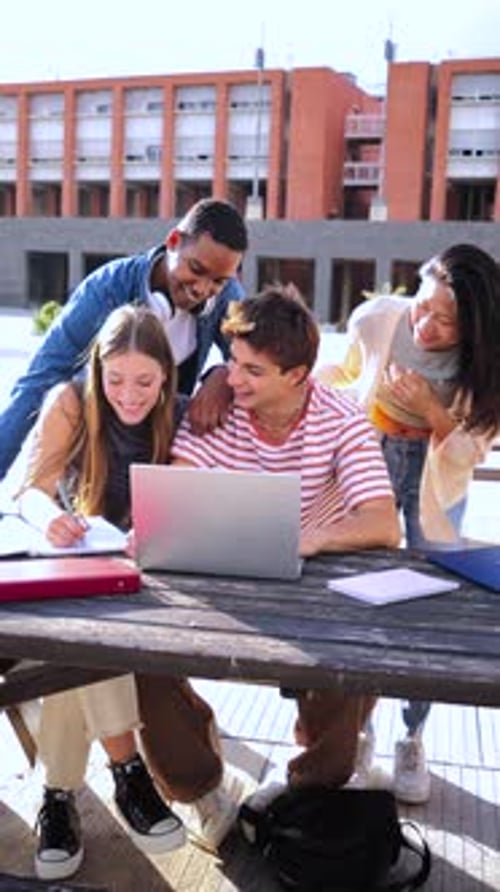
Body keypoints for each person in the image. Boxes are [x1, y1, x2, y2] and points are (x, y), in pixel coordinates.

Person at [136, 283, 400, 837]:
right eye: (232, 363)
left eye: (252, 371)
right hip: (220, 576)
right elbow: (179, 489)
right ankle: (201, 786)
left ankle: (307, 787)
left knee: (350, 659)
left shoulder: (342, 418)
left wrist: (313, 537)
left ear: (297, 376)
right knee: (142, 654)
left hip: (311, 587)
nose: (234, 379)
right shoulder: (218, 409)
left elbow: (382, 521)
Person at [316, 242, 500, 804]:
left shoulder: (488, 365)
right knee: (354, 585)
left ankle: (412, 734)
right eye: (424, 306)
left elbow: (472, 450)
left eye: (448, 321)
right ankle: (356, 724)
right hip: (370, 456)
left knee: (428, 602)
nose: (428, 325)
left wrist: (431, 411)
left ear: (476, 328)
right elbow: (347, 374)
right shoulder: (377, 321)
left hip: (436, 476)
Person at [15, 305, 187, 880]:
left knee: (78, 643)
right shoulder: (70, 401)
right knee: (83, 633)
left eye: (144, 381)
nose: (129, 395)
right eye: (115, 380)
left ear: (166, 373)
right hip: (70, 564)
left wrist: (159, 532)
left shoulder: (178, 417)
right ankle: (126, 769)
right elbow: (30, 490)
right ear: (98, 371)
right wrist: (51, 520)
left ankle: (57, 799)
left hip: (139, 579)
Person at [0, 197, 248, 482]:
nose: (203, 289)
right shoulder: (106, 288)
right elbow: (39, 380)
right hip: (95, 454)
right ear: (174, 241)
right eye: (196, 269)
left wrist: (223, 375)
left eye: (219, 281)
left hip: (159, 450)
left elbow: (257, 357)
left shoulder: (224, 297)